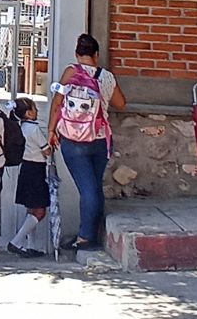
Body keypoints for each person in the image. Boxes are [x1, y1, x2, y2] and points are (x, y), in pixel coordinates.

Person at [46, 33, 125, 251]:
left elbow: (57, 103)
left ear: (77, 54)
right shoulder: (106, 77)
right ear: (96, 55)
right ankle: (92, 232)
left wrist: (51, 131)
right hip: (99, 140)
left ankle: (85, 237)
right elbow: (121, 103)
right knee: (93, 186)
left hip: (72, 140)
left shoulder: (70, 72)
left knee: (87, 189)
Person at [7, 97, 50, 258]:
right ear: (28, 113)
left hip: (26, 168)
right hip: (36, 169)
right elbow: (46, 150)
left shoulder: (21, 128)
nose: (37, 112)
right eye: (34, 109)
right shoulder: (33, 129)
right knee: (40, 211)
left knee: (31, 209)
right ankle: (16, 241)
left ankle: (31, 246)